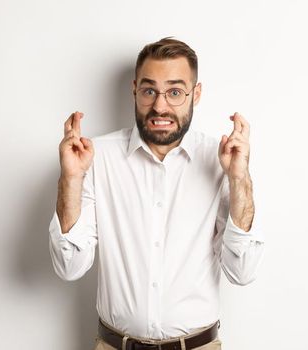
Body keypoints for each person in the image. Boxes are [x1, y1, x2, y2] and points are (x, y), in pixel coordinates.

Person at [49, 37, 265, 350]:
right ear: (135, 90)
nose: (160, 105)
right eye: (150, 90)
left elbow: (242, 272)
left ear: (196, 94)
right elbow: (69, 267)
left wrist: (239, 177)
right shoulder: (96, 158)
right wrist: (71, 178)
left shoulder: (222, 161)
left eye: (175, 92)